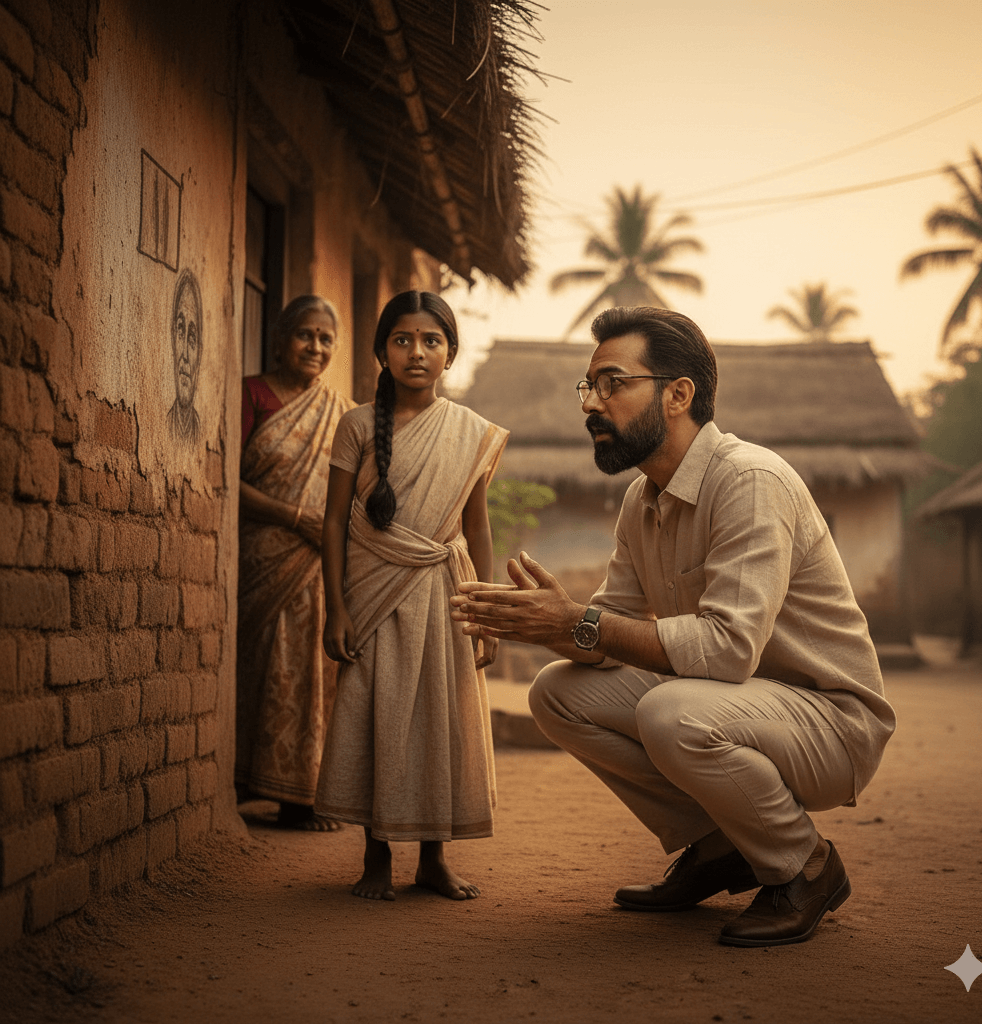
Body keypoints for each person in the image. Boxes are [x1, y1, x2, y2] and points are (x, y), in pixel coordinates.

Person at [451, 305, 896, 946]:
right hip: (738, 706)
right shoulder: (643, 498)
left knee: (671, 711)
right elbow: (611, 628)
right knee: (557, 693)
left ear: (678, 394)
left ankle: (807, 864)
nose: (591, 405)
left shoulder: (748, 480)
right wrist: (540, 624)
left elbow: (726, 651)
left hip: (830, 722)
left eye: (612, 383)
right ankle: (722, 848)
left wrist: (582, 622)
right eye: (588, 387)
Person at [315, 290, 509, 902]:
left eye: (431, 341)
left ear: (450, 353)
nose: (416, 352)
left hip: (442, 593)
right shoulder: (355, 425)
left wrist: (485, 609)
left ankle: (433, 858)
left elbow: (476, 527)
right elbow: (333, 521)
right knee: (377, 713)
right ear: (381, 351)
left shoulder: (471, 432)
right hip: (373, 593)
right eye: (402, 340)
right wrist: (336, 608)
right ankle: (375, 856)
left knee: (438, 720)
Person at [235, 295, 355, 830]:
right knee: (266, 665)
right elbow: (225, 479)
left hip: (322, 562)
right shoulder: (252, 395)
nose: (316, 347)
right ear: (281, 339)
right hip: (266, 554)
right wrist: (294, 517)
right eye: (305, 335)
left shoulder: (344, 413)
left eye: (326, 339)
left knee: (315, 670)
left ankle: (302, 794)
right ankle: (248, 780)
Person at [167, 268, 202, 444]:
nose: (185, 356)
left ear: (200, 353)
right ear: (173, 339)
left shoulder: (200, 435)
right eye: (181, 331)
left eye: (192, 338)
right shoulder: (167, 425)